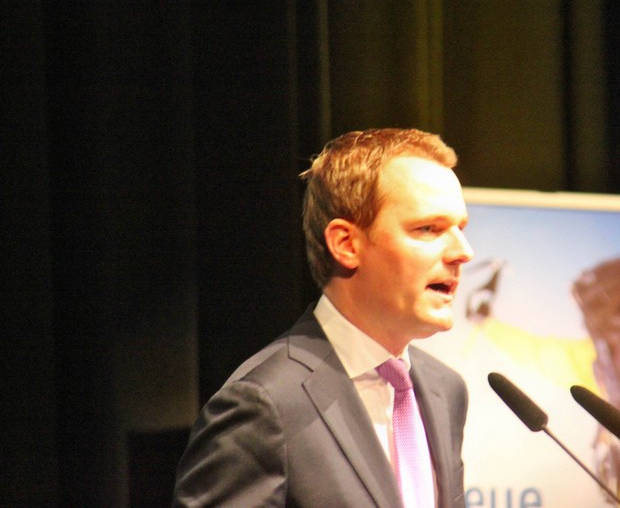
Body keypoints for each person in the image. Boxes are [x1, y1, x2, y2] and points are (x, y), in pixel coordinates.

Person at [172, 128, 475, 507]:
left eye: (460, 229)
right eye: (428, 228)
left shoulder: (445, 389)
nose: (463, 252)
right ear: (346, 244)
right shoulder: (265, 405)